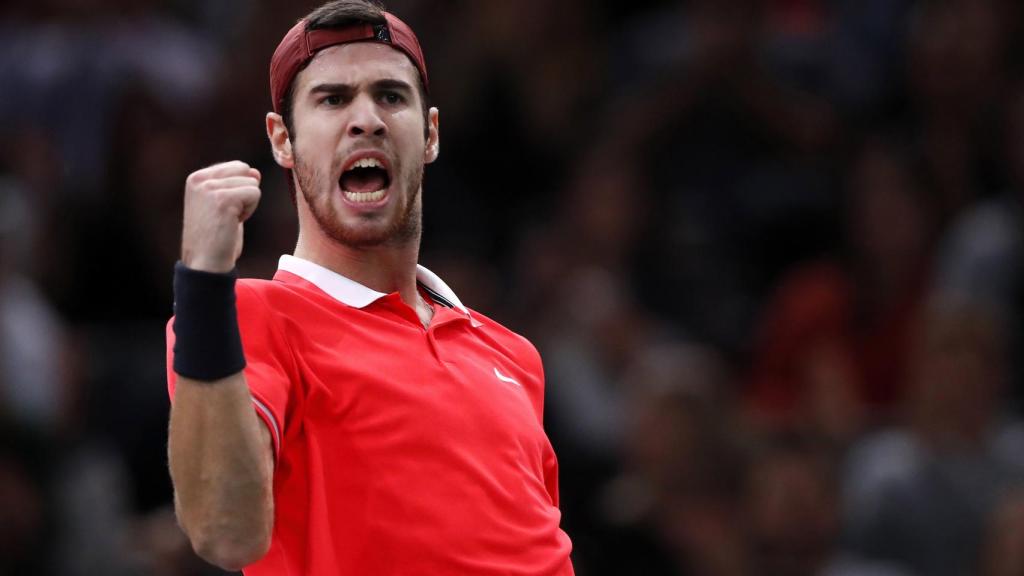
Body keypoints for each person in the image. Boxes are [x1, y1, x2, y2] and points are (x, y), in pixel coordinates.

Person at [163, 1, 574, 574]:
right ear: (282, 140)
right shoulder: (244, 316)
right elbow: (226, 534)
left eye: (391, 96)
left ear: (430, 134)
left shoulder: (513, 355)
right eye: (332, 99)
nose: (367, 120)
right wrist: (204, 282)